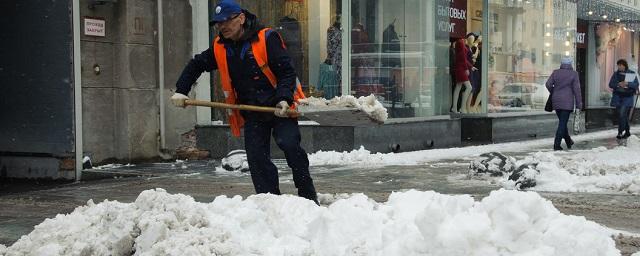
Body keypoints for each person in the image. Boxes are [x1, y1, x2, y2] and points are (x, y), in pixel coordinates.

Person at [169, 0, 318, 204]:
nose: (222, 27)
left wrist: (284, 98)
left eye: (226, 21)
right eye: (218, 23)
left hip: (279, 107)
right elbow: (197, 64)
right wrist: (181, 90)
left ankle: (308, 196)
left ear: (240, 18)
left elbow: (287, 72)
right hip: (252, 110)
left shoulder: (267, 38)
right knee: (257, 158)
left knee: (290, 146)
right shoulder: (221, 46)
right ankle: (269, 201)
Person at [545, 57, 583, 150]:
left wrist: (554, 92)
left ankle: (568, 141)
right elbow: (577, 90)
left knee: (563, 122)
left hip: (556, 101)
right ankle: (556, 144)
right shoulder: (574, 74)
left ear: (561, 64)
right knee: (562, 124)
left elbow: (548, 84)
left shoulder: (555, 72)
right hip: (567, 102)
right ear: (570, 64)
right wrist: (579, 104)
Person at [608, 59, 639, 139]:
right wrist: (618, 84)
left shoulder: (631, 73)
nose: (619, 67)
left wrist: (627, 83)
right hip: (618, 97)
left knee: (622, 114)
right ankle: (627, 132)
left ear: (624, 65)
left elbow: (636, 85)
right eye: (618, 65)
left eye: (620, 65)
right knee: (623, 116)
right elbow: (611, 84)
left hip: (628, 97)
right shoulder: (616, 74)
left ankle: (620, 132)